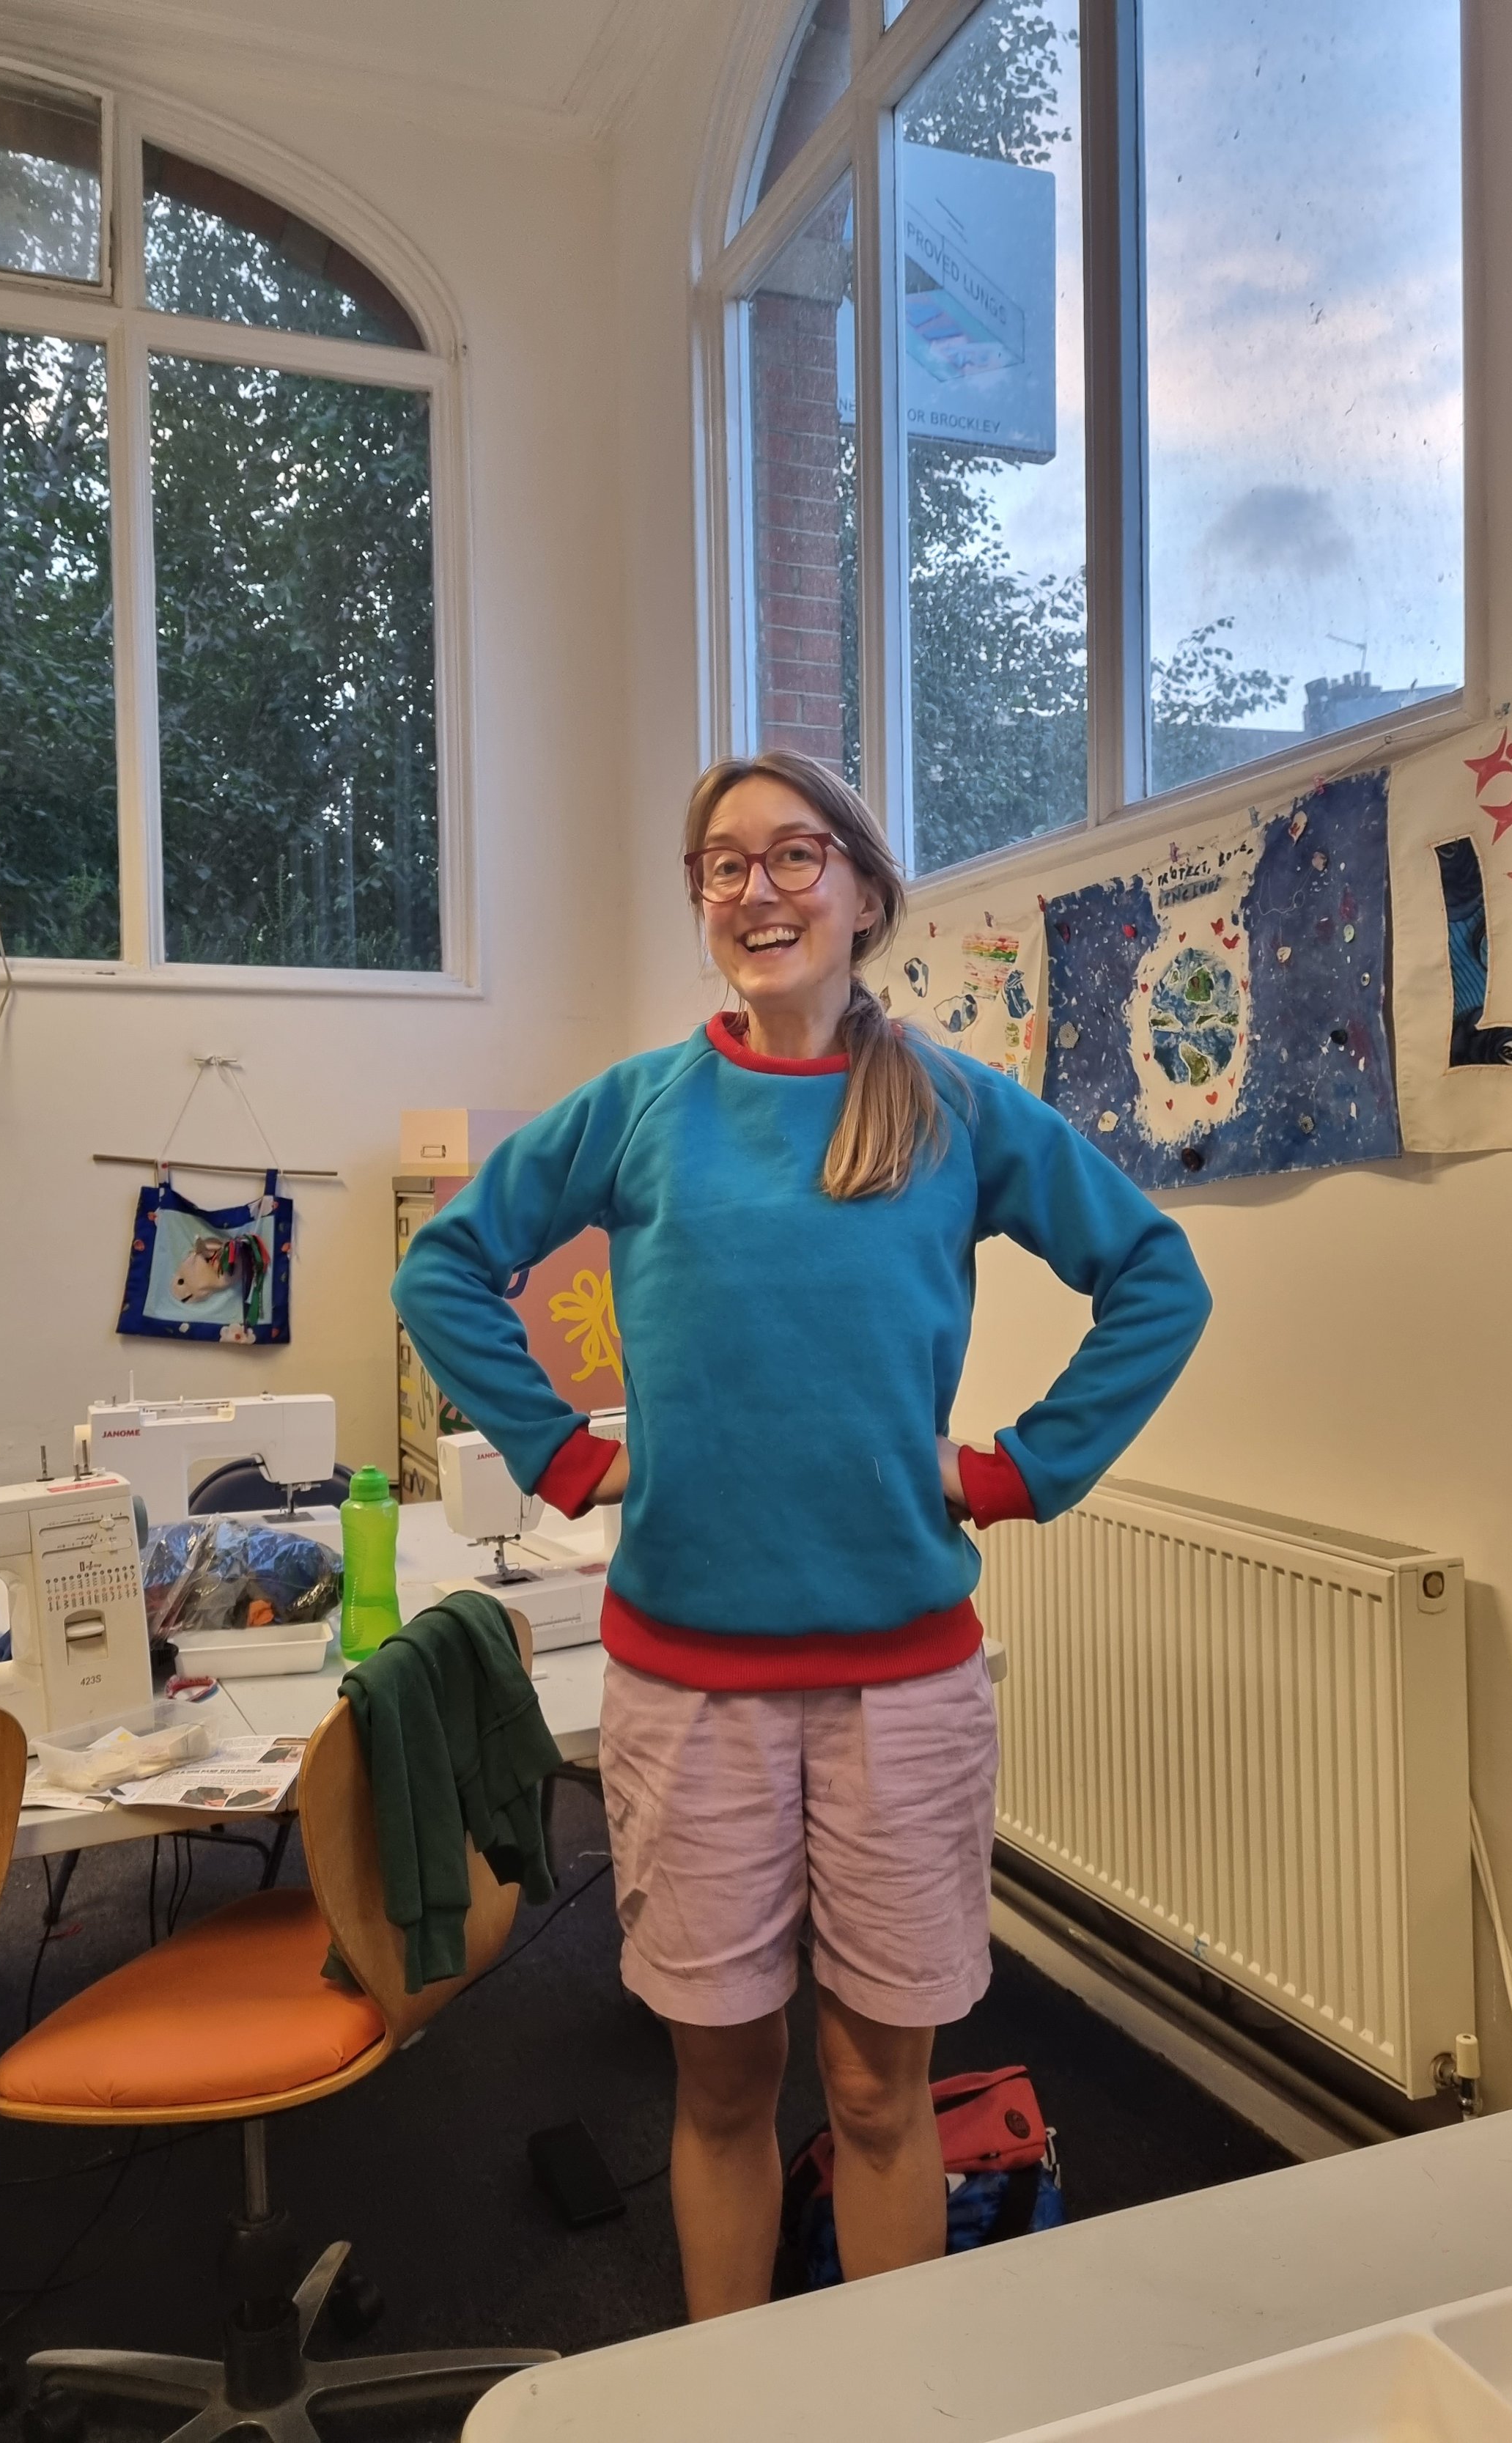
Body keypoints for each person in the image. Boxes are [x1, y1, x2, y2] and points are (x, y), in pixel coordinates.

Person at [393, 750, 1211, 2318]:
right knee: (720, 2089)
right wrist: (560, 1453)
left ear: (862, 890)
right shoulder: (640, 1107)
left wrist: (1019, 1469)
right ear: (701, 901)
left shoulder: (952, 1105)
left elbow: (1155, 1275)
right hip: (688, 1687)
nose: (756, 888)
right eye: (723, 863)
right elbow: (445, 1266)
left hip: (903, 1689)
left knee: (879, 2091)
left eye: (792, 855)